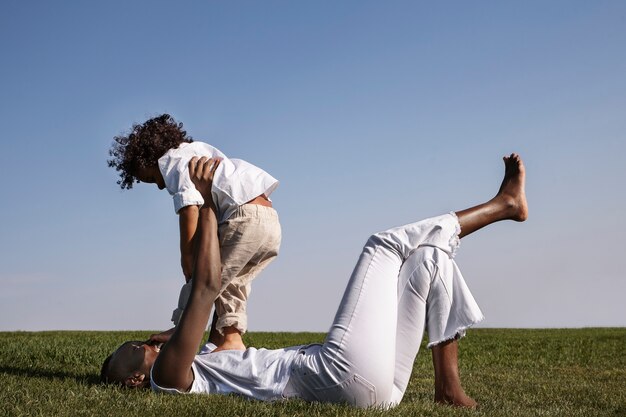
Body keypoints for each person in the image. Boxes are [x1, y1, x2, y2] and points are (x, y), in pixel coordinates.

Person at [101, 153, 528, 409]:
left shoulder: (200, 362)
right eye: (136, 350)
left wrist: (179, 331)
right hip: (338, 375)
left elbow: (215, 317)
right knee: (382, 245)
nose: (146, 343)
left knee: (430, 258)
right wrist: (208, 199)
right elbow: (206, 286)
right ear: (135, 380)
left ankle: (447, 388)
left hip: (376, 389)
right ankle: (504, 205)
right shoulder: (169, 379)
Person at [107, 114, 281, 351]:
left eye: (150, 178)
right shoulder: (196, 150)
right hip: (269, 222)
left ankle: (179, 329)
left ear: (149, 158)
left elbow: (190, 209)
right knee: (232, 284)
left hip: (244, 218)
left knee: (204, 279)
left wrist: (187, 258)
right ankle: (231, 339)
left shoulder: (171, 161)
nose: (159, 185)